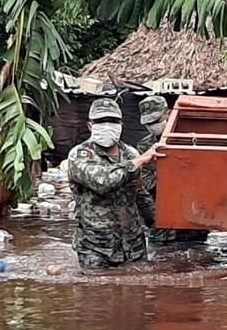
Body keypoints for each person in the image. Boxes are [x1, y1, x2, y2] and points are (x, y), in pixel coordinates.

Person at [68, 98, 157, 269]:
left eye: (113, 121)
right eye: (101, 121)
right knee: (100, 293)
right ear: (90, 125)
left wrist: (158, 223)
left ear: (121, 124)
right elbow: (104, 181)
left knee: (141, 293)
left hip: (134, 246)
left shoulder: (130, 153)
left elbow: (139, 193)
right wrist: (139, 161)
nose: (107, 125)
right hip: (97, 248)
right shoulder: (80, 155)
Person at [136, 95, 210, 245]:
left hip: (192, 220)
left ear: (167, 114)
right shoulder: (144, 147)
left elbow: (203, 179)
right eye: (148, 123)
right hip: (161, 221)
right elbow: (145, 182)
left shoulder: (189, 140)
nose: (152, 126)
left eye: (155, 121)